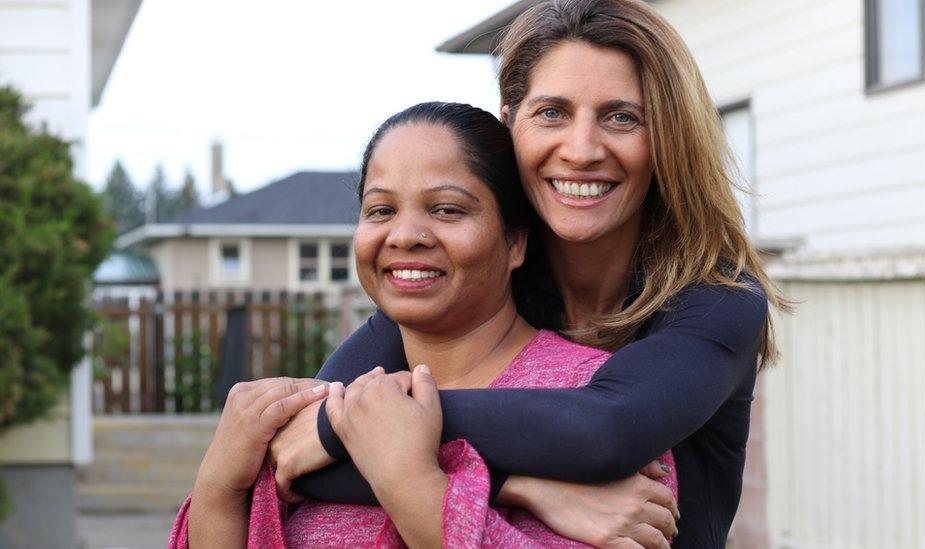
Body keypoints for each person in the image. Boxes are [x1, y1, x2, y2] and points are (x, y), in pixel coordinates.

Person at [271, 1, 792, 547]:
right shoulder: (484, 278)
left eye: (621, 116)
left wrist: (358, 424)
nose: (582, 150)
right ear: (509, 125)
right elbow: (300, 462)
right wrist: (520, 487)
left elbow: (604, 431)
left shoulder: (717, 300)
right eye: (552, 113)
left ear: (667, 137)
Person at [171, 102, 678, 548]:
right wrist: (219, 487)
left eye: (447, 210)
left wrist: (411, 480)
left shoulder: (590, 397)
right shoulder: (321, 414)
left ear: (516, 242)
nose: (405, 235)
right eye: (381, 210)